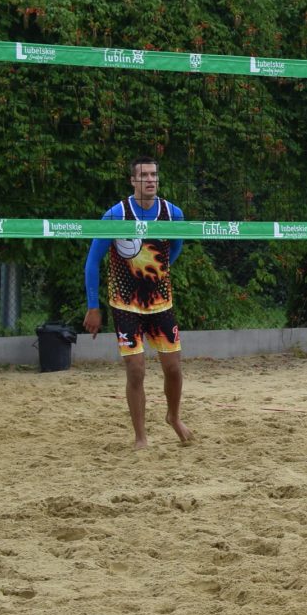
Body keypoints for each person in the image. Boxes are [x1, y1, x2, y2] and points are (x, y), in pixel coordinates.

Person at [83, 156, 194, 448]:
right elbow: (92, 262)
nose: (150, 180)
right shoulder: (116, 215)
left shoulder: (173, 214)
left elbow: (175, 249)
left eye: (154, 175)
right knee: (136, 369)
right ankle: (141, 437)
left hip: (161, 304)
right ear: (133, 180)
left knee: (173, 368)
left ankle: (173, 416)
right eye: (144, 175)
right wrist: (93, 306)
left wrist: (157, 274)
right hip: (125, 305)